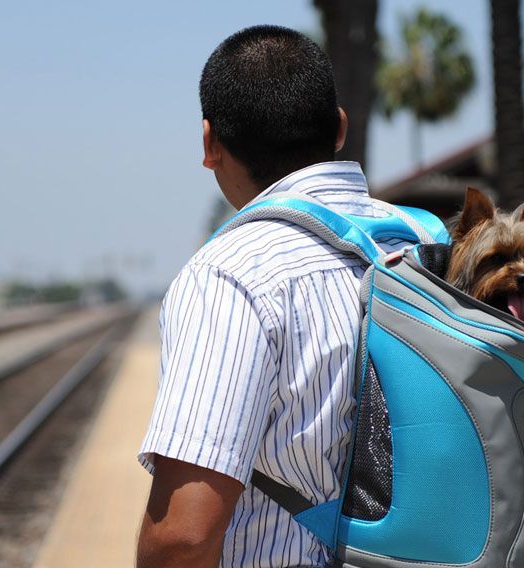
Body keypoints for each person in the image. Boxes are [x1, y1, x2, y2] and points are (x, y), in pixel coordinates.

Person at [135, 25, 408, 568]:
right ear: (339, 129)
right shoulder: (429, 245)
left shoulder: (232, 275)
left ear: (209, 143)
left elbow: (183, 540)